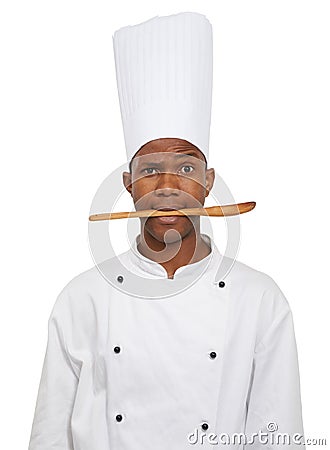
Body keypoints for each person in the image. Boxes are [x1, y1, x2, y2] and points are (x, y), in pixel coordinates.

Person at [28, 12, 305, 450]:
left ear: (208, 183)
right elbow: (48, 437)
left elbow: (277, 437)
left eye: (187, 168)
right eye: (151, 169)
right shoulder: (82, 299)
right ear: (128, 184)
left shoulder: (260, 299)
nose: (169, 187)